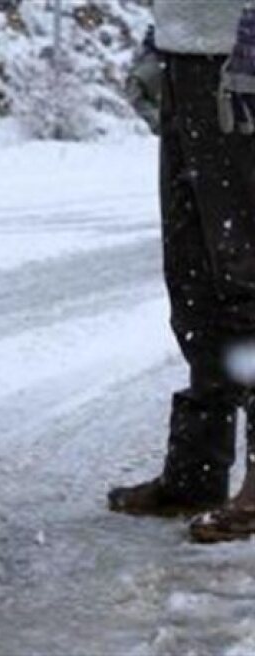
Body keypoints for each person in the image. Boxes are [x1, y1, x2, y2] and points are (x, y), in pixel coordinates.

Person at [109, 2, 255, 543]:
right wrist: (163, 37)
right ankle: (197, 467)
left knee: (245, 271)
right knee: (194, 276)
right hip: (187, 54)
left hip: (241, 57)